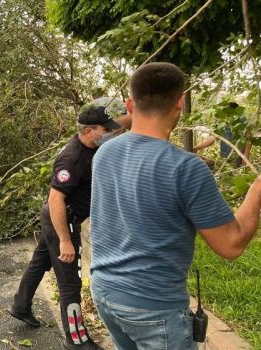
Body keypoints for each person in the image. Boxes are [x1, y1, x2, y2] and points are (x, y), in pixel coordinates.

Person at [90, 62, 261, 349]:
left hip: (105, 291)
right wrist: (256, 191)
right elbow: (230, 245)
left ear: (130, 105)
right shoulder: (186, 167)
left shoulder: (105, 151)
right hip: (153, 308)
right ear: (180, 102)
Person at [9, 105, 123, 349]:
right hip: (62, 220)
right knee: (70, 282)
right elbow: (56, 199)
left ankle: (20, 305)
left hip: (60, 218)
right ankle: (76, 339)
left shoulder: (90, 147)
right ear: (90, 131)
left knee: (40, 261)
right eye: (106, 130)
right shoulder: (72, 158)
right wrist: (65, 240)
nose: (111, 134)